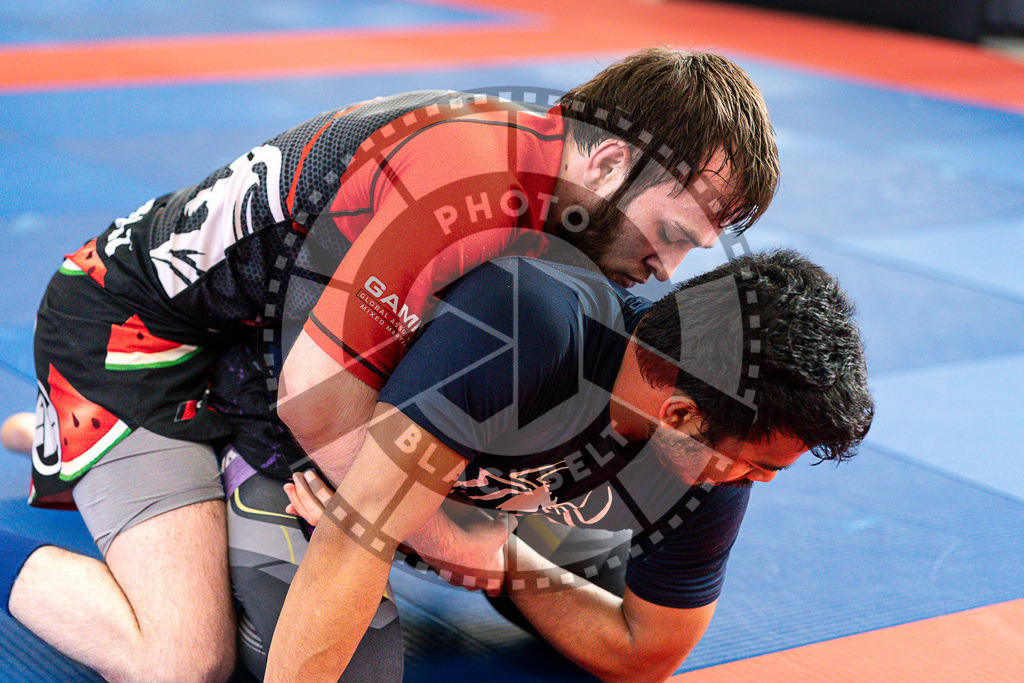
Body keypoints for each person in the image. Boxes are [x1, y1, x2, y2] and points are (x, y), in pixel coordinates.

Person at [0, 47, 778, 682]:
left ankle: (90, 450)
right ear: (608, 162)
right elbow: (317, 405)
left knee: (565, 555)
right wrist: (453, 540)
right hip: (142, 334)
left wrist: (492, 546)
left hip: (270, 347)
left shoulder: (554, 202)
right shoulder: (460, 174)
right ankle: (102, 441)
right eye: (671, 234)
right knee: (182, 661)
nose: (668, 267)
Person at [259, 249, 873, 682]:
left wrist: (502, 564)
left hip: (468, 503)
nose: (759, 481)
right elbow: (361, 522)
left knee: (594, 599)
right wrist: (440, 537)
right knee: (330, 668)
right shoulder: (531, 329)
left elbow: (646, 654)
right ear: (682, 414)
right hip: (300, 458)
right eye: (758, 466)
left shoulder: (709, 456)